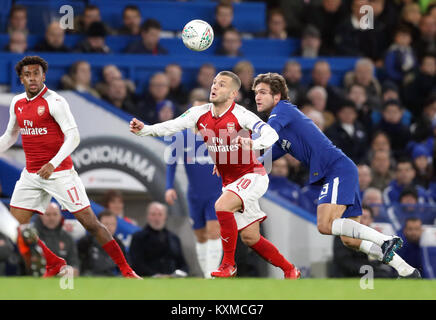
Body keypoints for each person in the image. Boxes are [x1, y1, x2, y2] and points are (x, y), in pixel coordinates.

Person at [130, 70, 300, 279]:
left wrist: (253, 143)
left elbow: (271, 134)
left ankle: (228, 265)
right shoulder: (198, 113)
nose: (215, 87)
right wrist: (144, 129)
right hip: (231, 182)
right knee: (250, 237)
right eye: (214, 83)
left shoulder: (241, 114)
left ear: (232, 94)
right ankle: (290, 269)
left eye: (222, 84)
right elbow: (172, 126)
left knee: (221, 206)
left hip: (253, 175)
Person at [252, 72, 420, 278]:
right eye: (256, 93)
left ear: (277, 96)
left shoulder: (282, 110)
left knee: (324, 225)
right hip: (341, 171)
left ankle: (384, 240)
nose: (257, 97)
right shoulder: (281, 128)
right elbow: (264, 160)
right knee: (351, 240)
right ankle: (406, 269)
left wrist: (245, 143)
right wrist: (244, 168)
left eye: (262, 92)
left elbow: (266, 136)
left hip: (336, 170)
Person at [0, 56, 140, 278]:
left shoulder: (55, 102)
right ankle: (53, 262)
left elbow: (73, 136)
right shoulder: (17, 103)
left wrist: (52, 163)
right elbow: (10, 135)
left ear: (43, 76)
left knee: (90, 222)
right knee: (16, 225)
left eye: (36, 73)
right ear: (21, 78)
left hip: (61, 173)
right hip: (31, 174)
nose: (32, 78)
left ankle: (126, 270)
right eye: (27, 74)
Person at [165, 101, 223, 278]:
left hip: (217, 192)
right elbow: (171, 162)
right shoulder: (181, 137)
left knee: (214, 232)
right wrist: (168, 187)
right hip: (195, 195)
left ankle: (210, 276)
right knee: (200, 235)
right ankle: (206, 273)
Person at [330, 205, 395, 278]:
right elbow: (346, 263)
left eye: (364, 218)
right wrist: (372, 268)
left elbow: (378, 259)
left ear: (371, 220)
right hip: (346, 276)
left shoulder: (372, 237)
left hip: (365, 272)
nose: (361, 220)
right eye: (358, 217)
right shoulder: (342, 235)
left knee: (388, 274)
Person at [129, 202, 189, 277]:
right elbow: (136, 263)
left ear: (165, 217)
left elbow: (183, 264)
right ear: (148, 216)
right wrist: (155, 275)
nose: (156, 218)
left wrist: (179, 274)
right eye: (153, 214)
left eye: (160, 214)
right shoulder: (138, 238)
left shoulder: (174, 239)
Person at [34, 202, 80, 276]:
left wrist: (69, 271)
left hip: (60, 281)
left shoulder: (67, 238)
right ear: (40, 216)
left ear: (60, 216)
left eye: (55, 214)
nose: (52, 218)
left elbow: (74, 266)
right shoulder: (32, 236)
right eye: (48, 214)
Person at [77, 210, 127, 276]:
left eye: (113, 224)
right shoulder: (86, 242)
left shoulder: (119, 244)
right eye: (106, 224)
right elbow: (77, 263)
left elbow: (125, 266)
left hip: (112, 280)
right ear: (98, 225)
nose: (109, 227)